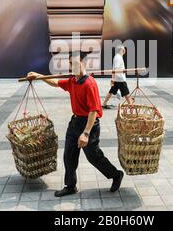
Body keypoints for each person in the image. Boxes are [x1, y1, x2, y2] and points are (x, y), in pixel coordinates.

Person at [27, 52, 124, 197]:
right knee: (69, 156)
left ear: (84, 64)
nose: (73, 67)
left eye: (76, 64)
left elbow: (93, 112)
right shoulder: (73, 81)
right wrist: (39, 76)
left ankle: (116, 175)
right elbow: (56, 83)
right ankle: (70, 186)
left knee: (93, 156)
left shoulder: (89, 84)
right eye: (71, 64)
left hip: (89, 124)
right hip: (74, 123)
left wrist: (85, 133)